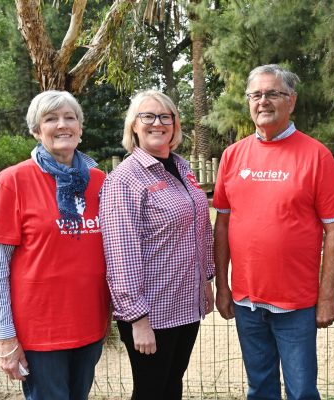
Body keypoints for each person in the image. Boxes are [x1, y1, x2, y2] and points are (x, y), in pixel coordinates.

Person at [213, 64, 334, 399]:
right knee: (260, 389)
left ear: (292, 100)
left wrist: (326, 298)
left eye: (273, 93)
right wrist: (222, 287)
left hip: (297, 305)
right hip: (246, 301)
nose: (263, 101)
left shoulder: (317, 155)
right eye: (256, 95)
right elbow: (223, 225)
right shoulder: (232, 156)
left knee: (301, 391)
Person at [0, 90, 110, 399]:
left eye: (70, 117)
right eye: (51, 119)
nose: (62, 125)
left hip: (91, 328)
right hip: (40, 334)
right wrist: (5, 338)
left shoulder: (99, 182)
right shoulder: (13, 181)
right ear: (36, 131)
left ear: (80, 127)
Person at [100, 89, 214, 400]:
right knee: (151, 391)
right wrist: (137, 319)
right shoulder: (124, 180)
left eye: (166, 116)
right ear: (133, 125)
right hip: (152, 312)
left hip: (186, 305)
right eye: (148, 116)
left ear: (175, 124)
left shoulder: (183, 168)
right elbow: (121, 255)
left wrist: (206, 280)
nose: (158, 123)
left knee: (171, 386)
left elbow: (202, 229)